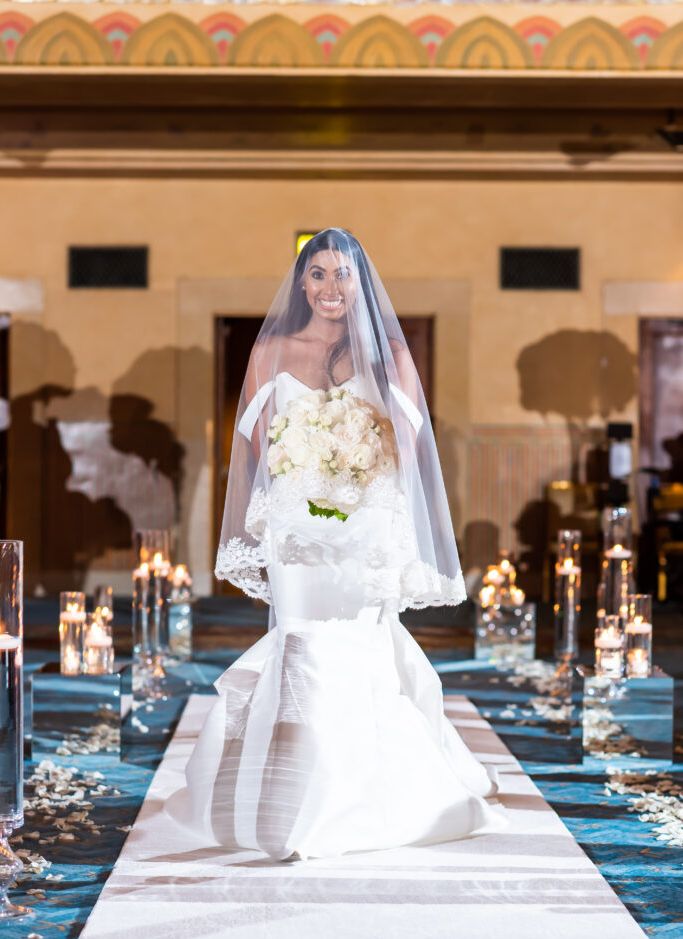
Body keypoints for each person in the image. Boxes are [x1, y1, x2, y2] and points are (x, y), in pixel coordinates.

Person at [167, 229, 504, 859]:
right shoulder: (270, 351)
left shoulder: (390, 356)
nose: (330, 287)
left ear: (360, 284)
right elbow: (261, 452)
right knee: (298, 642)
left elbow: (408, 453)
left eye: (342, 274)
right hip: (297, 533)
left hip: (365, 532)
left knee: (359, 646)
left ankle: (360, 797)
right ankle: (286, 796)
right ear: (301, 283)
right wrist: (308, 475)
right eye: (318, 273)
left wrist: (355, 474)